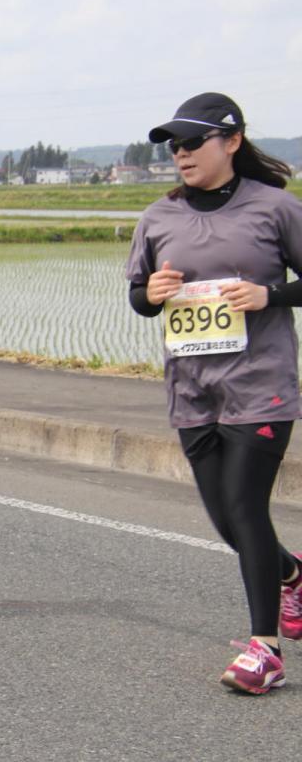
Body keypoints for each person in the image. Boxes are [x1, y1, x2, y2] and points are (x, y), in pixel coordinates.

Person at [126, 92, 302, 695]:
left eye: (193, 142)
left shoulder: (275, 208)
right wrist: (153, 291)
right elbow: (137, 300)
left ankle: (266, 650)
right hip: (193, 389)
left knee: (246, 505)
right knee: (228, 521)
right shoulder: (158, 218)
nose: (181, 154)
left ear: (230, 141)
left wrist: (269, 296)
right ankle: (292, 575)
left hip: (261, 385)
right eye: (174, 145)